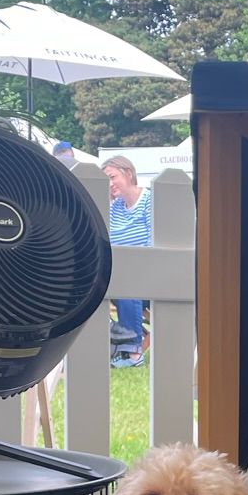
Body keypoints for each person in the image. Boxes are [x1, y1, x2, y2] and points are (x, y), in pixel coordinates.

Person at [104, 154, 152, 368]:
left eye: (112, 177)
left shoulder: (150, 202)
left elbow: (154, 243)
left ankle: (134, 353)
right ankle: (114, 337)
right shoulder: (114, 209)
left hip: (148, 276)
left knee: (129, 285)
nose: (110, 184)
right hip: (117, 275)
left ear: (129, 173)